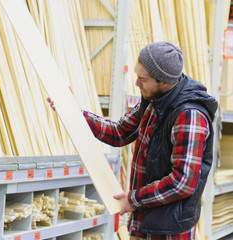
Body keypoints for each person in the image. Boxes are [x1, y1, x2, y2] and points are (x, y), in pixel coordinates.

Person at [48, 41, 218, 239]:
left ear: (163, 82)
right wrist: (75, 112)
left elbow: (182, 182)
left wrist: (135, 198)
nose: (137, 83)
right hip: (144, 223)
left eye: (142, 79)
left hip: (168, 231)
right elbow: (118, 132)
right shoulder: (154, 100)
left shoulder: (189, 115)